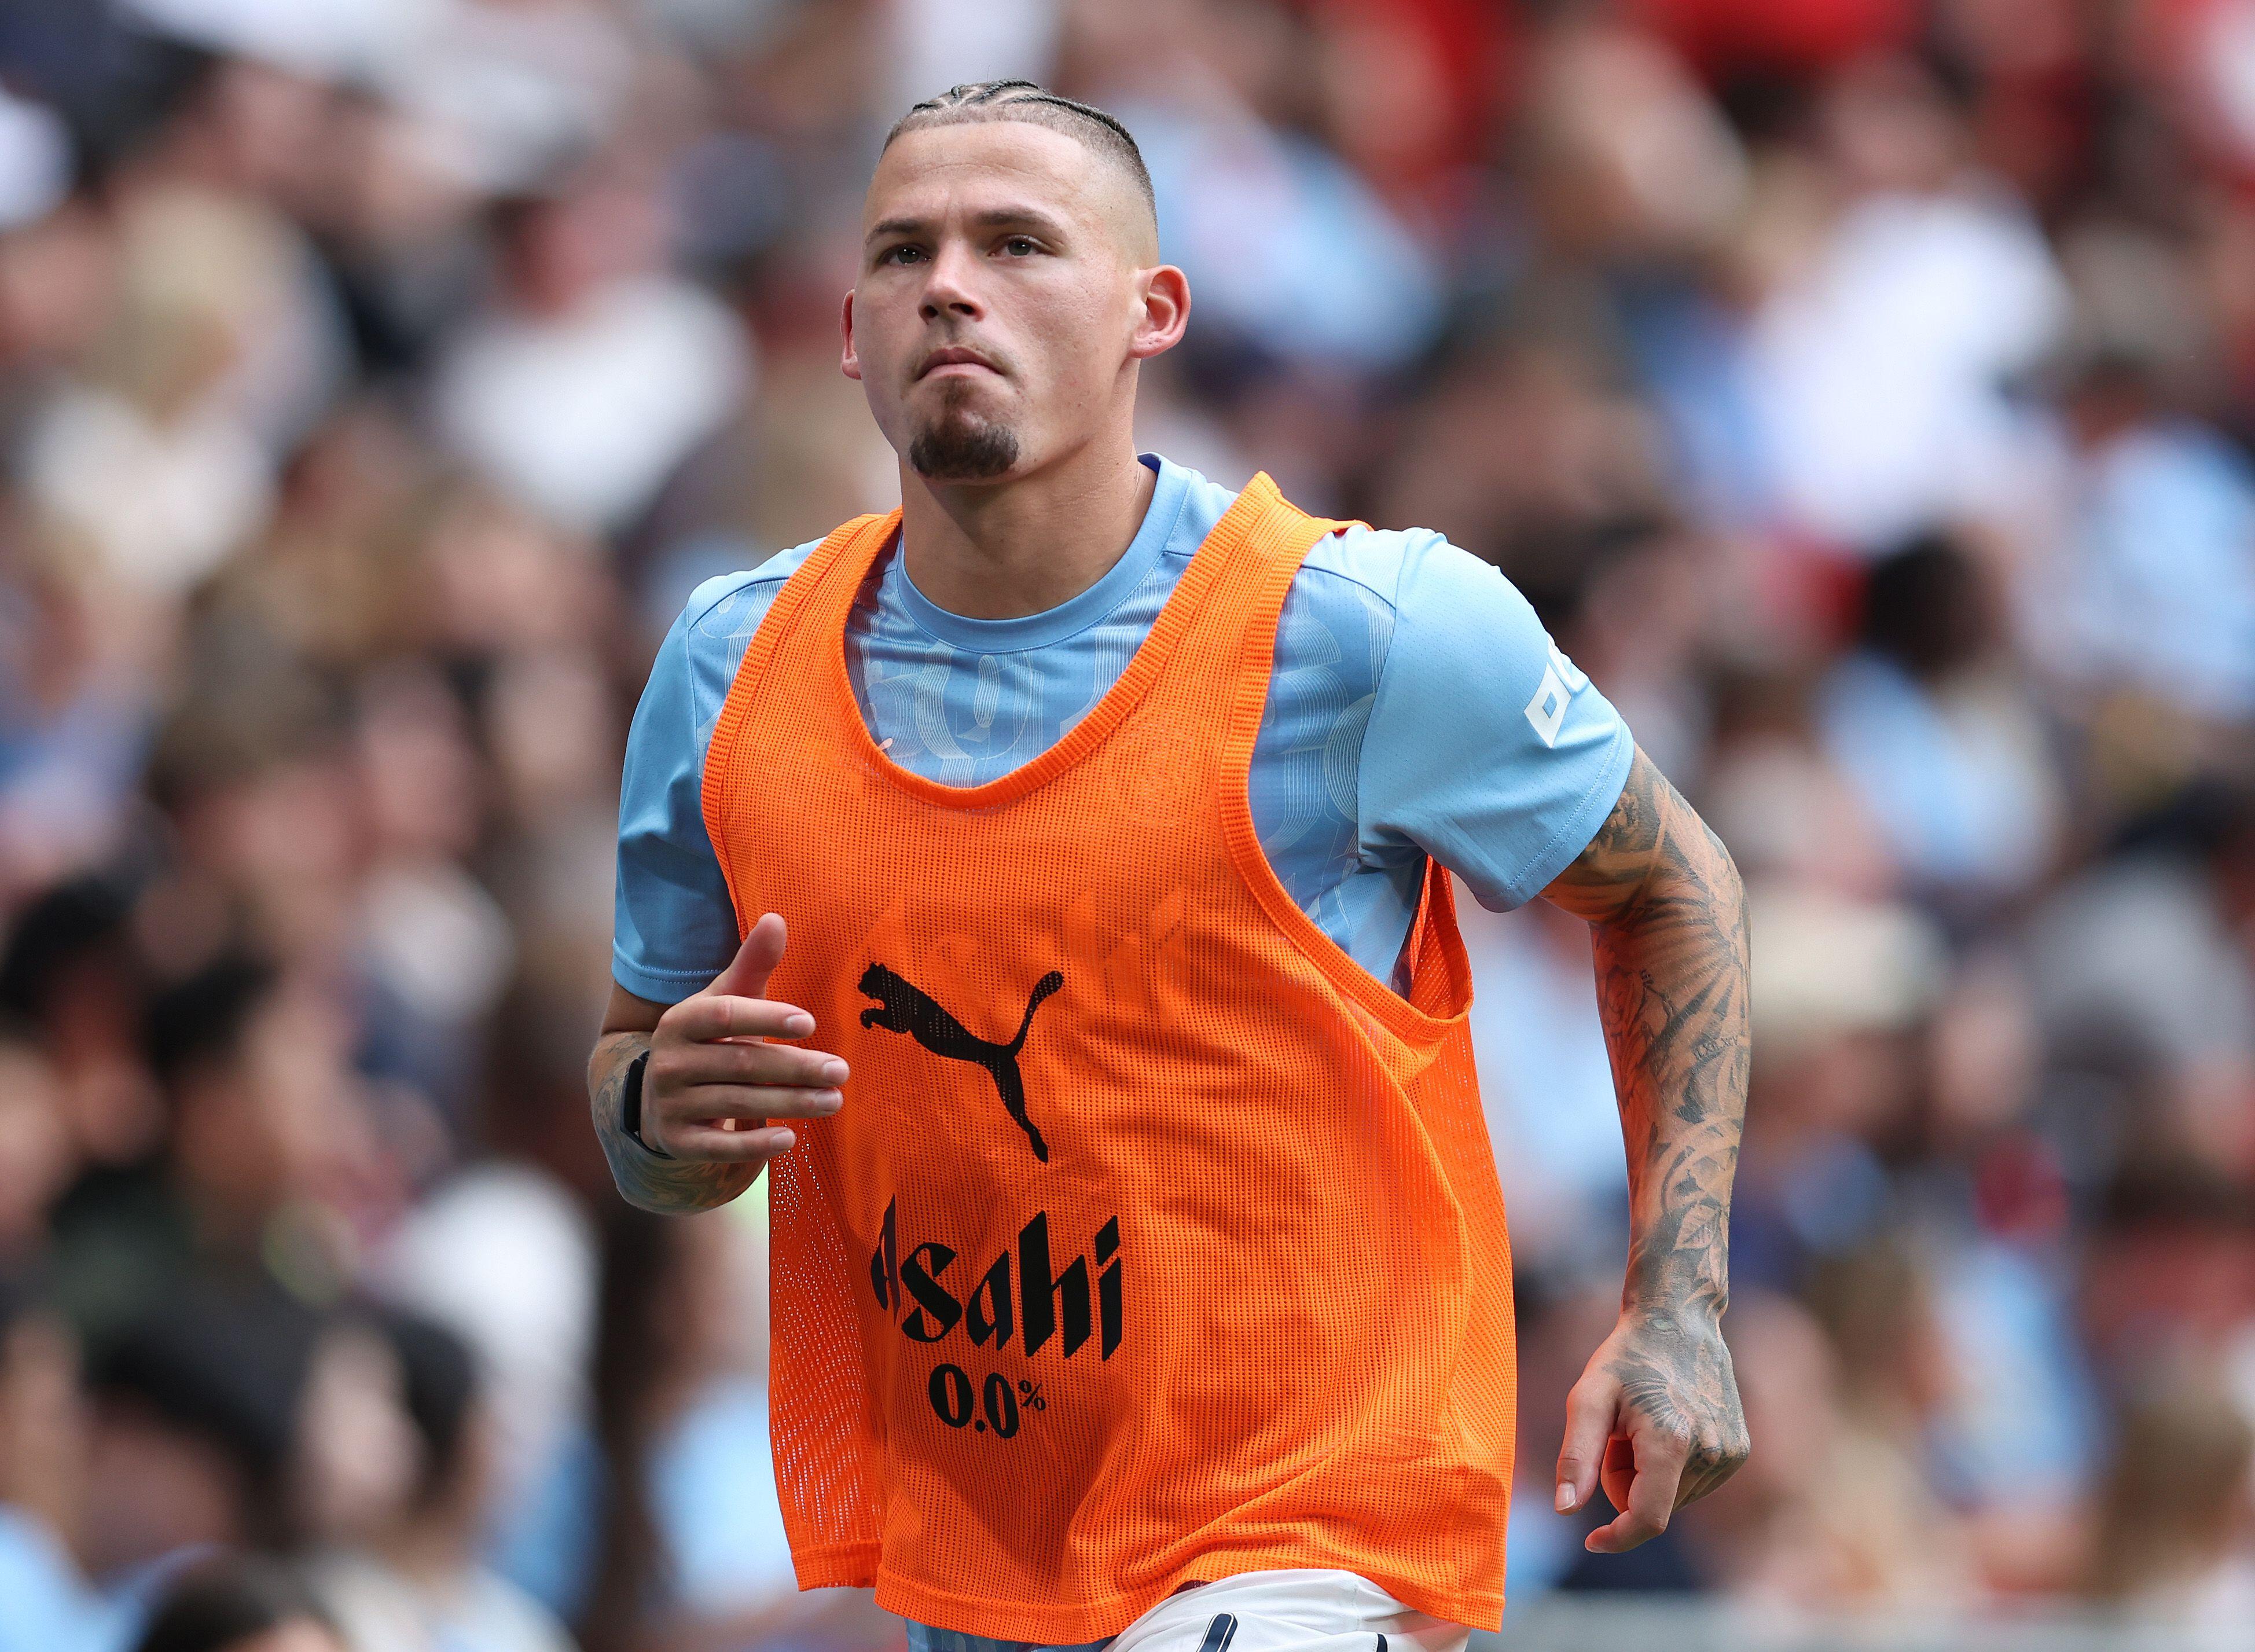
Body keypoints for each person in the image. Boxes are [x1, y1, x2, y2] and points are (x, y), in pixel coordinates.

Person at [592, 79, 1752, 1652]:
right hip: (988, 1546)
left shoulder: (1362, 631)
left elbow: (1674, 889)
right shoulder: (733, 671)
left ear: (1155, 312)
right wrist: (660, 1113)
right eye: (902, 251)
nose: (950, 282)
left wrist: (1677, 1304)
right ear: (851, 332)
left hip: (1311, 1534)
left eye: (1016, 243)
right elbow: (644, 1101)